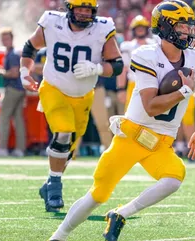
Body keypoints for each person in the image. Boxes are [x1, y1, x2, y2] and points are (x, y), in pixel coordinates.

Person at [49, 1, 195, 240]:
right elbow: (150, 107)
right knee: (98, 194)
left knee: (174, 178)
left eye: (190, 26)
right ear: (165, 27)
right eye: (182, 26)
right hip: (133, 135)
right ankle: (59, 236)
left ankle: (120, 214)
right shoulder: (146, 55)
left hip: (161, 142)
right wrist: (184, 92)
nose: (188, 32)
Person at [19, 0, 123, 212]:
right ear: (69, 9)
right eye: (80, 9)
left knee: (69, 148)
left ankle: (49, 182)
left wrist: (96, 68)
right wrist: (24, 73)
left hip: (84, 95)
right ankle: (55, 189)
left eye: (88, 10)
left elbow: (117, 65)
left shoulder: (102, 28)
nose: (85, 14)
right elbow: (31, 46)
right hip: (53, 88)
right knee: (63, 133)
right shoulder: (52, 22)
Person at [0, 28, 26, 157]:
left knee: (4, 117)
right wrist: (2, 69)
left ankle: (2, 147)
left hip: (13, 89)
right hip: (20, 89)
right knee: (18, 119)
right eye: (3, 39)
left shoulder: (12, 54)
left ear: (11, 39)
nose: (4, 41)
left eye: (6, 38)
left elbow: (14, 73)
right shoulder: (13, 53)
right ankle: (20, 149)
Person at [117, 15, 155, 112]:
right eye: (138, 28)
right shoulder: (127, 46)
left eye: (142, 28)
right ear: (133, 30)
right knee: (131, 114)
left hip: (153, 84)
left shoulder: (154, 45)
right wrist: (121, 89)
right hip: (134, 84)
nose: (140, 30)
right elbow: (123, 69)